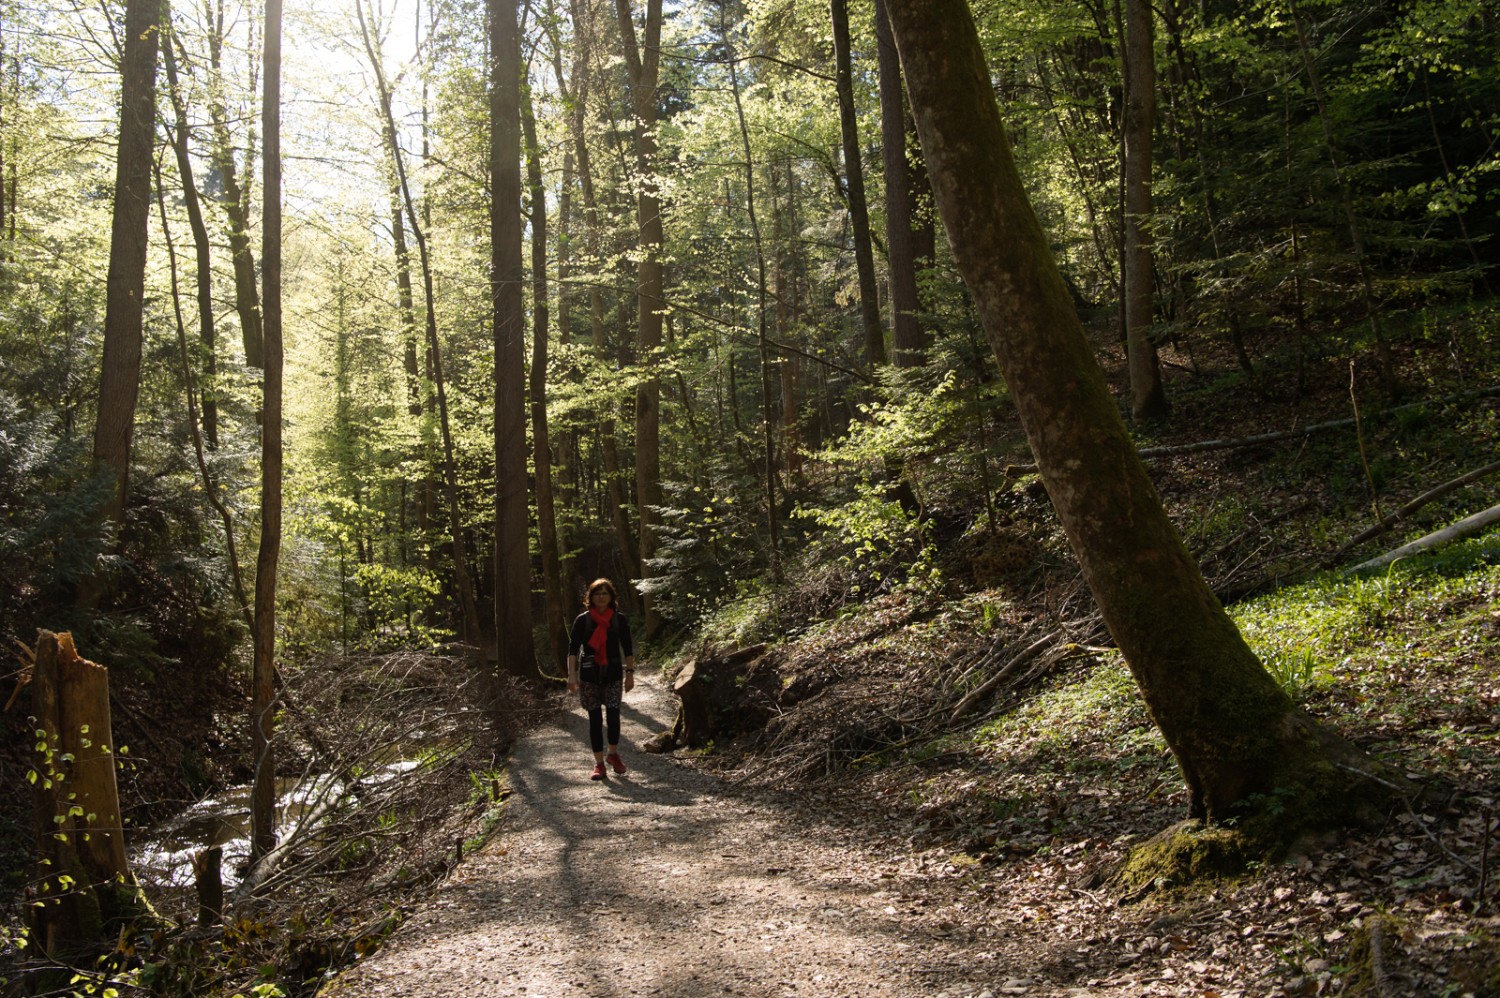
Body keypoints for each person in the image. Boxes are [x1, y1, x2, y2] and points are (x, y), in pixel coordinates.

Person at [567, 578, 636, 780]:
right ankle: (599, 764)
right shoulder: (583, 620)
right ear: (591, 597)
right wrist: (571, 675)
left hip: (613, 673)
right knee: (595, 720)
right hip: (589, 675)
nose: (601, 597)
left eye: (605, 593)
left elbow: (628, 647)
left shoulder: (619, 619)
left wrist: (630, 673)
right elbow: (572, 649)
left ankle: (613, 754)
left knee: (613, 717)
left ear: (611, 596)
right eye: (597, 593)